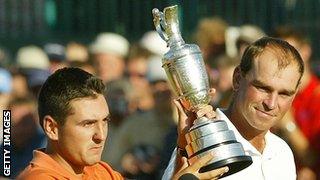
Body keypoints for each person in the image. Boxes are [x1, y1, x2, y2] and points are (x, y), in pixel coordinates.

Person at [17, 67, 230, 180]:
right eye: (87, 124)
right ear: (52, 128)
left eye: (105, 121)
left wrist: (183, 142)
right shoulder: (39, 178)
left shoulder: (101, 172)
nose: (101, 135)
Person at [162, 37, 304, 180]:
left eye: (284, 94)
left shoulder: (282, 152)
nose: (271, 104)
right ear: (237, 79)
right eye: (262, 88)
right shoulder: (201, 147)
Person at [274, 26, 320, 180]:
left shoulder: (316, 95)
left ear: (306, 51)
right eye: (277, 54)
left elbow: (312, 159)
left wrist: (288, 125)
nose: (283, 60)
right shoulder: (274, 95)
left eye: (290, 52)